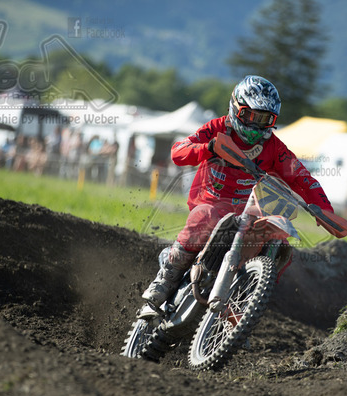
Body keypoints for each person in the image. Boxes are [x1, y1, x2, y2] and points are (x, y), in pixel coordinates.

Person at [142, 75, 336, 307]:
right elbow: (178, 152)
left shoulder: (274, 147)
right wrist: (208, 148)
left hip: (247, 212)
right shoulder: (217, 128)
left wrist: (324, 209)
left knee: (280, 245)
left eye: (265, 119)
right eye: (251, 116)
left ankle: (248, 303)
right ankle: (166, 278)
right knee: (206, 216)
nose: (256, 125)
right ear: (237, 108)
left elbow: (302, 178)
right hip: (210, 203)